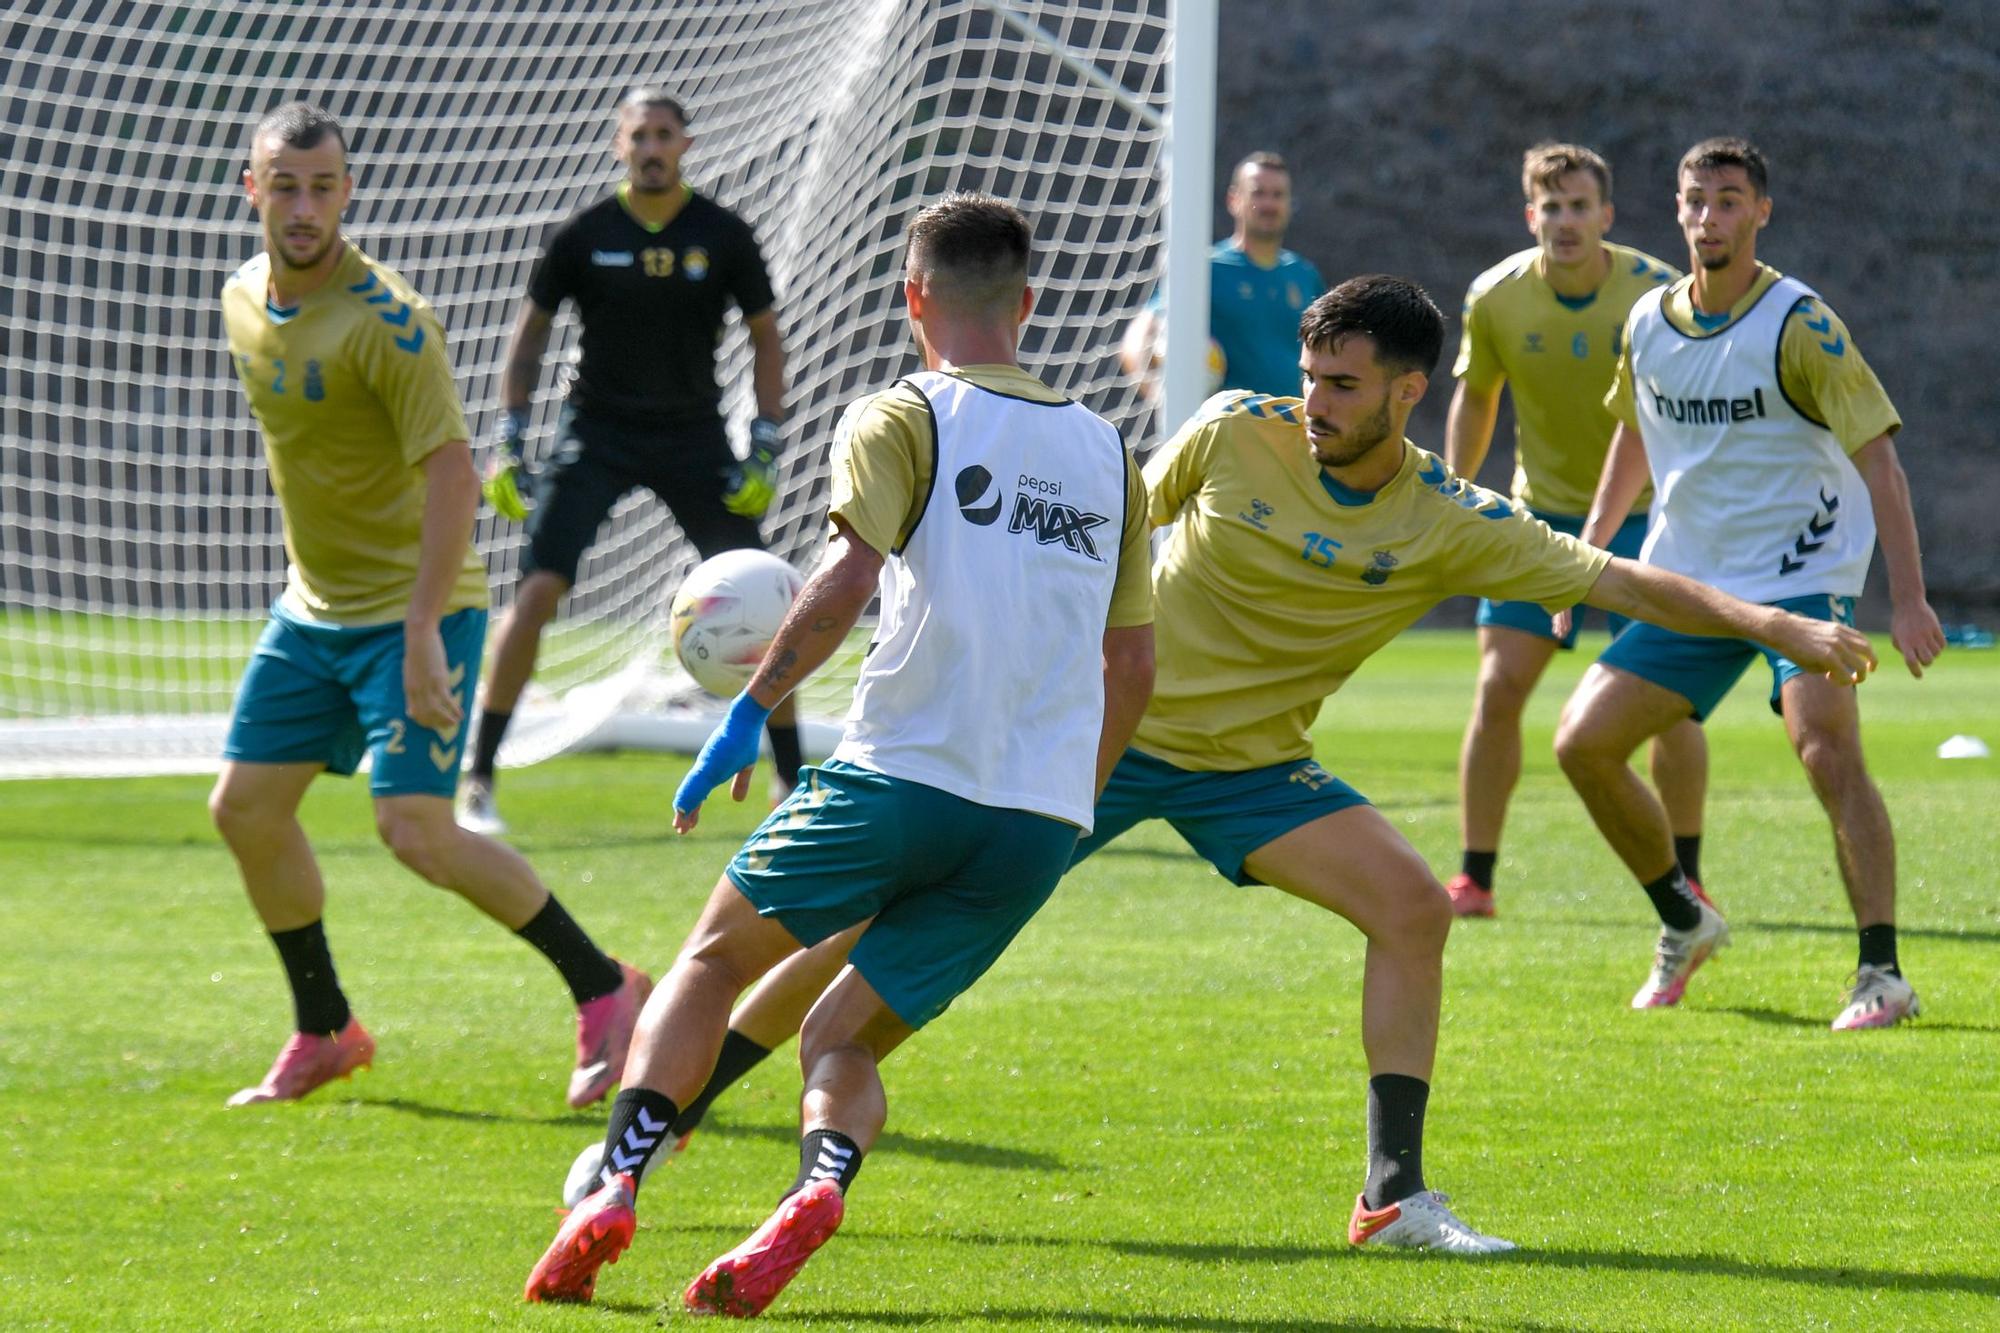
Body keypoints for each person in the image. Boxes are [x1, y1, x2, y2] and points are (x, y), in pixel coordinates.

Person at [628, 275, 1877, 1256]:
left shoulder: (1445, 519)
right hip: (1093, 742)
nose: (1314, 402)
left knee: (1406, 907)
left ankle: (1391, 1196)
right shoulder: (1232, 434)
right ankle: (660, 1130)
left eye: (1340, 384)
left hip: (1248, 770)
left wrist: (1776, 624)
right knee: (852, 928)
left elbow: (1614, 578)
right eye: (1307, 377)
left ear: (1408, 389)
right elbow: (1106, 529)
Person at [523, 192, 1157, 1314]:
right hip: (1031, 823)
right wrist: (1071, 808)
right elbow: (1134, 666)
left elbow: (842, 582)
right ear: (1025, 301)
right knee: (837, 1038)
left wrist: (743, 712)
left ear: (913, 297)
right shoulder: (1108, 451)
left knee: (711, 965)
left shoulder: (903, 411)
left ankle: (614, 1183)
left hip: (896, 776)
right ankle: (817, 1184)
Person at [213, 104, 648, 1110]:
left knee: (414, 828)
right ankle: (325, 1028)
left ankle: (607, 987)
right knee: (244, 809)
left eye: (324, 187)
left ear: (348, 193)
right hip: (312, 611)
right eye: (286, 185)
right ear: (253, 189)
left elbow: (452, 475)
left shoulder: (388, 321)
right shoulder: (240, 296)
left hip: (419, 609)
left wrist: (419, 635)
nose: (306, 206)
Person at [1554, 137, 1943, 1027]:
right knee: (1581, 742)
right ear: (1677, 207)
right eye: (1695, 200)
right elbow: (1632, 438)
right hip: (1689, 580)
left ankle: (1881, 973)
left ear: (1760, 212)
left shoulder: (1799, 323)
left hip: (1803, 575)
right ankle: (1684, 919)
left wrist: (1910, 598)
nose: (1708, 217)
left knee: (1824, 747)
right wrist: (1587, 552)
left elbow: (1880, 460)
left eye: (1728, 200)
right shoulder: (1649, 320)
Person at [459, 87, 799, 835]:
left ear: (685, 144)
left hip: (694, 435)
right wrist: (509, 441)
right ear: (620, 145)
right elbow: (529, 339)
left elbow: (767, 339)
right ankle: (478, 777)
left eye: (664, 134)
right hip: (596, 435)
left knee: (769, 596)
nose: (650, 147)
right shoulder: (584, 235)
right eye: (638, 135)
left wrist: (766, 443)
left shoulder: (723, 233)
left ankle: (791, 776)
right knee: (538, 590)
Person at [1444, 143, 1704, 919]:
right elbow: (1477, 398)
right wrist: (1455, 494)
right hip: (1541, 521)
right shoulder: (1495, 296)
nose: (1565, 221)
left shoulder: (1658, 291)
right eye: (1550, 208)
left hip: (1647, 521)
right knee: (1497, 690)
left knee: (1671, 702)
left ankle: (1687, 873)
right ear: (1531, 216)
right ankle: (1475, 877)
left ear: (1607, 217)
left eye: (1579, 206)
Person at [1120, 152, 1325, 400]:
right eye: (1258, 193)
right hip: (1227, 429)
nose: (1269, 204)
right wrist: (1157, 395)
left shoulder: (1303, 274)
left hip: (1291, 429)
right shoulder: (1206, 268)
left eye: (1278, 195)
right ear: (1233, 200)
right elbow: (1139, 335)